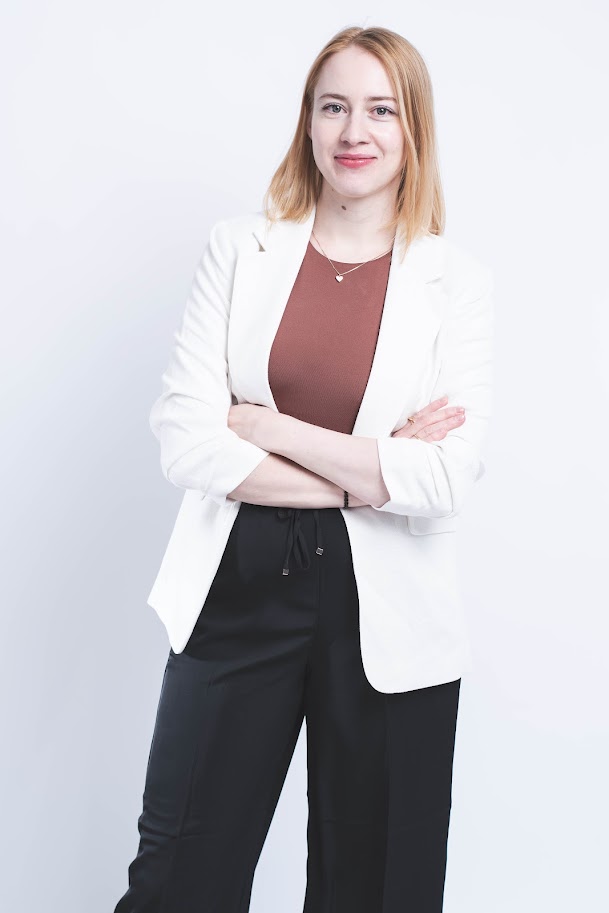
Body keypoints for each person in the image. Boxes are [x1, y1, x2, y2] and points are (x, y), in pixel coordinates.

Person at [113, 24, 494, 913]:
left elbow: (444, 478)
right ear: (308, 123)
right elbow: (187, 440)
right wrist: (371, 474)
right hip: (238, 584)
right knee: (177, 882)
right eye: (333, 107)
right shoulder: (238, 248)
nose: (353, 131)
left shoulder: (455, 283)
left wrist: (268, 428)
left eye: (380, 110)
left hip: (389, 615)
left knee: (378, 890)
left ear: (413, 129)